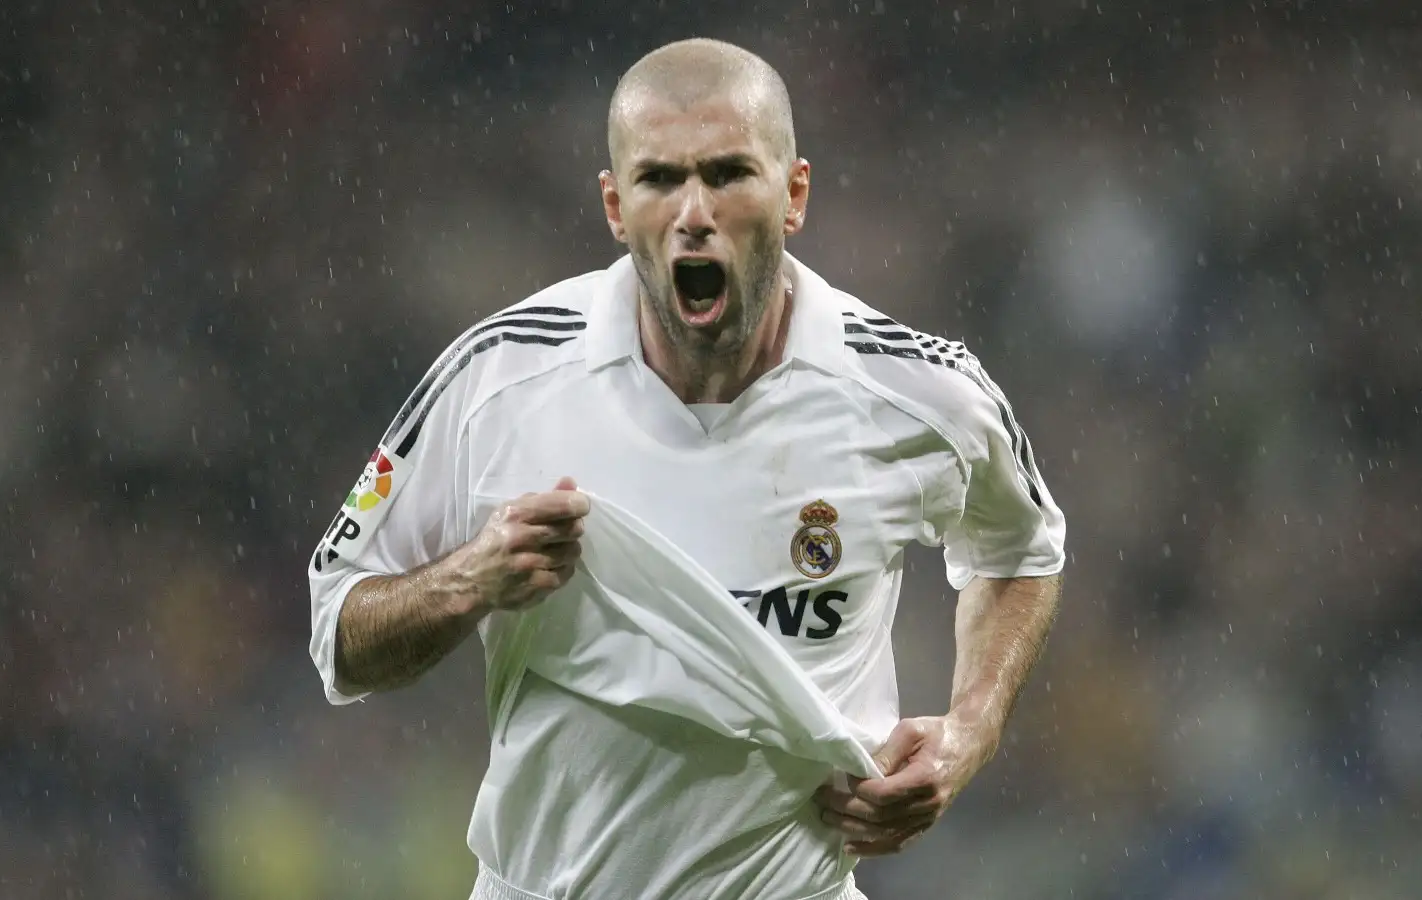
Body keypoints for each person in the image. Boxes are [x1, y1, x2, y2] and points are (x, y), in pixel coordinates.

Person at [308, 37, 1066, 900]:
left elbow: (1022, 551)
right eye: (660, 179)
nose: (693, 212)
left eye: (728, 173)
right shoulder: (500, 376)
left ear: (795, 195)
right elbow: (338, 634)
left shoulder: (920, 392)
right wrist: (468, 579)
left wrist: (970, 732)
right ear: (612, 205)